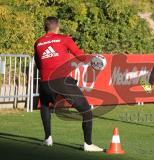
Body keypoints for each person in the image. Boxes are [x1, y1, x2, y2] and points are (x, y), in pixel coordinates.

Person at [34, 16, 103, 151]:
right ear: (57, 26)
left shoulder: (38, 42)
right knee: (86, 111)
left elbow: (38, 63)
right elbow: (80, 56)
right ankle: (88, 144)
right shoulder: (64, 38)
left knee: (45, 106)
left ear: (45, 27)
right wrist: (95, 61)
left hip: (44, 82)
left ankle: (47, 138)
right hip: (61, 81)